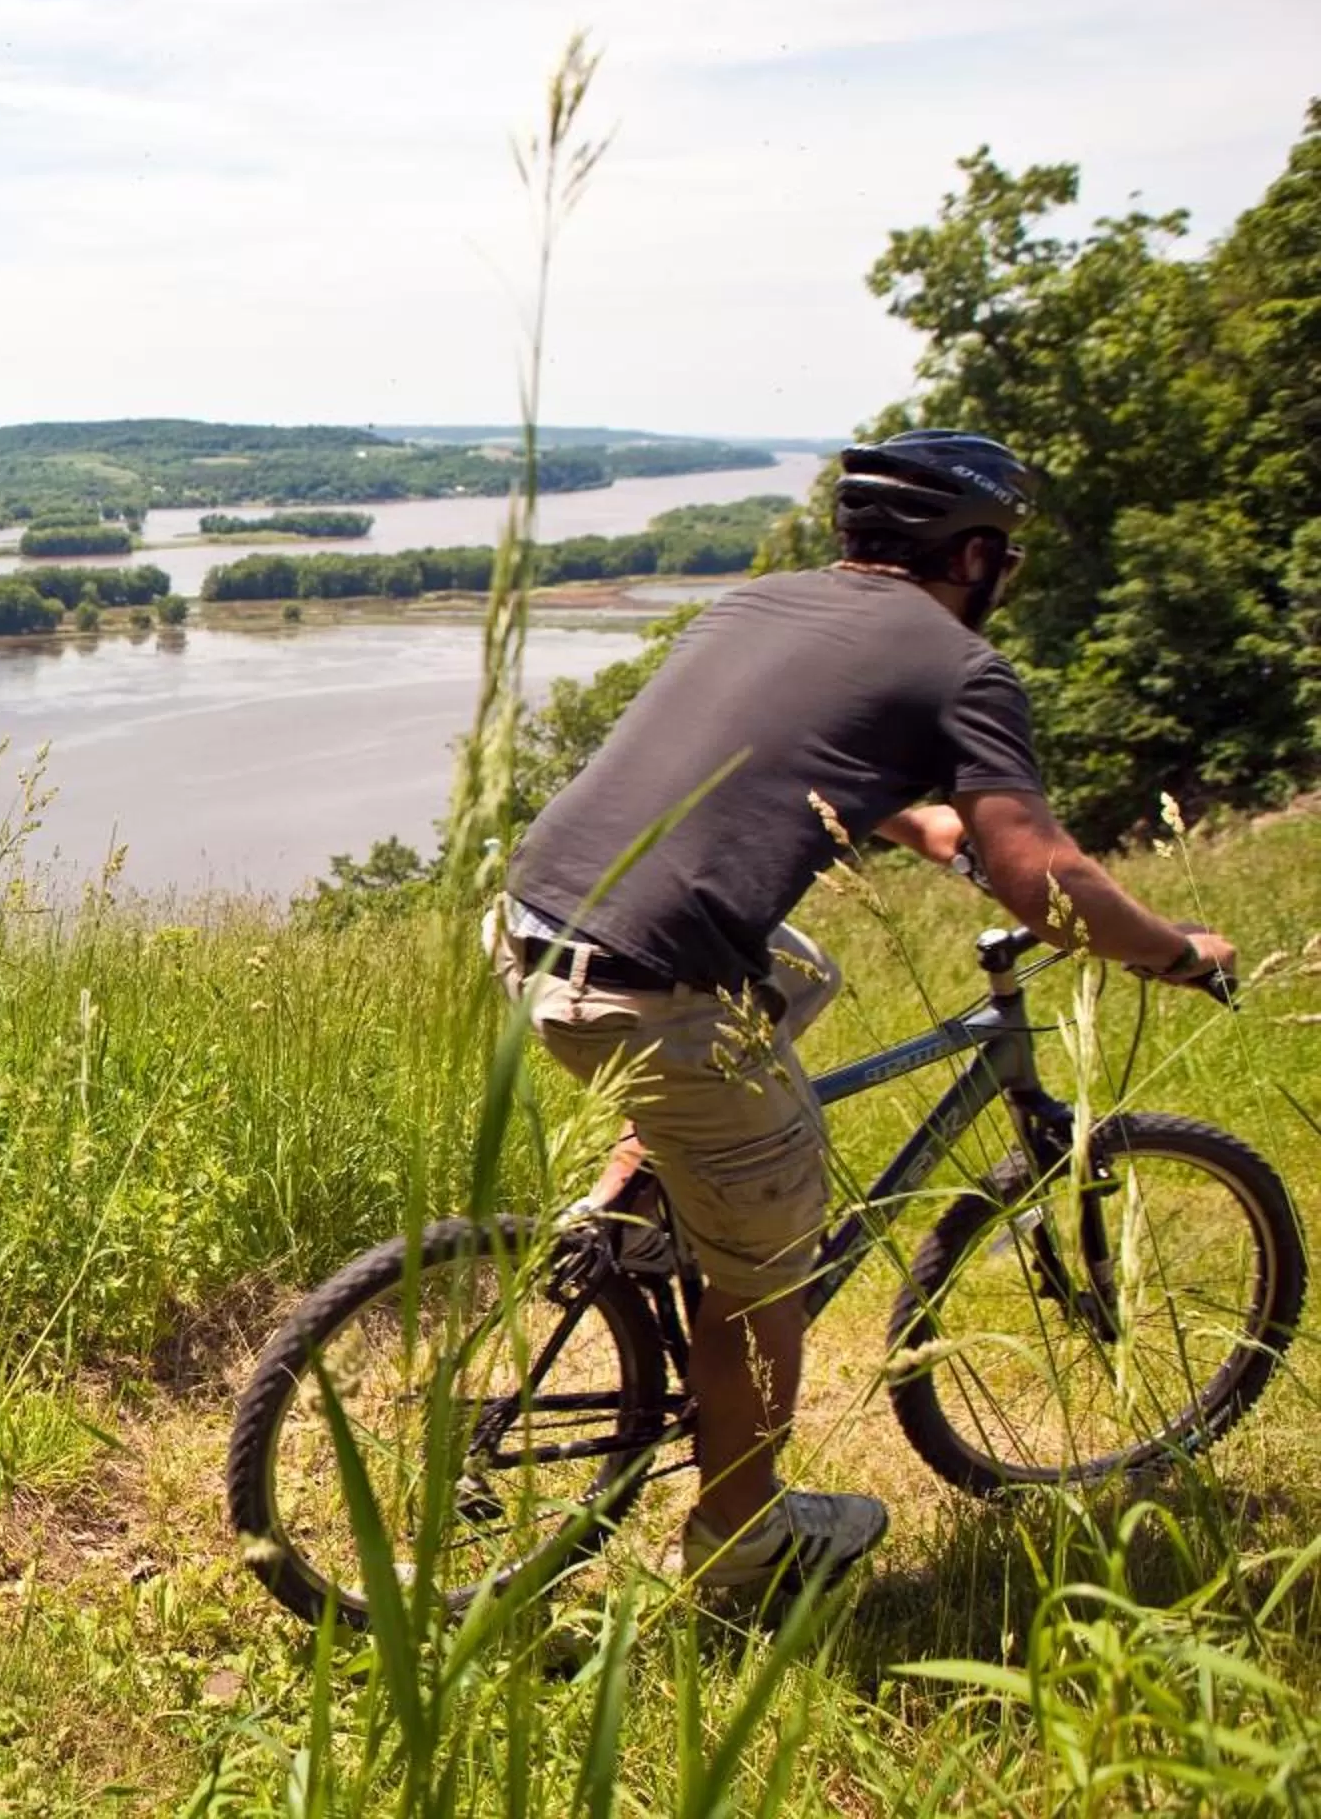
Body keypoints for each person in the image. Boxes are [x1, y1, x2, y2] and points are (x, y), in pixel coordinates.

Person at [494, 430, 1236, 1606]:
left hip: (536, 931)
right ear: (978, 552)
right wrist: (1175, 952)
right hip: (658, 984)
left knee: (801, 974)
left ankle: (636, 1197)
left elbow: (781, 748)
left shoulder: (760, 606)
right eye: (1011, 554)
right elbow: (1041, 876)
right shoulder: (960, 663)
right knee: (769, 1264)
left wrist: (918, 820)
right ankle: (745, 1545)